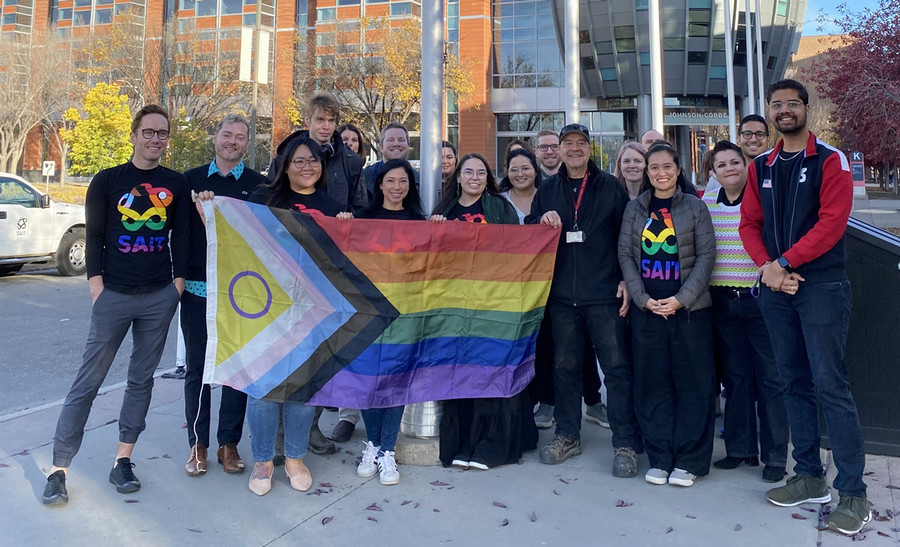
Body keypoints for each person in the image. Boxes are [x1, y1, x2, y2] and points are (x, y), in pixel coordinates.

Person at [739, 79, 869, 536]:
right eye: (777, 105)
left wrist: (785, 262)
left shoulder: (831, 160)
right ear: (770, 112)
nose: (785, 111)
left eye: (793, 103)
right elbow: (749, 223)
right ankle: (809, 475)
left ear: (806, 109)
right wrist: (767, 268)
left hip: (821, 287)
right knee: (792, 381)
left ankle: (853, 493)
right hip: (777, 288)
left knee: (830, 386)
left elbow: (833, 224)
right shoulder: (761, 166)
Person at [42, 105, 189, 505]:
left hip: (158, 296)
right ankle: (59, 469)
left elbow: (184, 239)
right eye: (149, 132)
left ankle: (122, 460)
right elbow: (95, 238)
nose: (155, 139)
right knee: (87, 383)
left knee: (141, 381)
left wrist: (175, 287)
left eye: (162, 133)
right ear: (134, 134)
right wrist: (96, 287)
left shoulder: (175, 184)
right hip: (114, 296)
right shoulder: (108, 181)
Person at [526, 124, 642, 477]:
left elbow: (627, 238)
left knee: (617, 371)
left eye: (581, 143)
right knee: (564, 369)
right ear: (558, 150)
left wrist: (625, 279)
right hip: (562, 297)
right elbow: (530, 230)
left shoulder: (610, 187)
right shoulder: (547, 189)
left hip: (604, 295)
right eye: (568, 144)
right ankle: (567, 435)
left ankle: (624, 441)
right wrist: (539, 219)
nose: (574, 149)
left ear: (589, 149)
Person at [240, 135, 347, 495]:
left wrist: (348, 226)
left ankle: (295, 459)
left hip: (315, 309)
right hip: (266, 307)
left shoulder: (332, 206)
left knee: (305, 387)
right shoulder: (262, 200)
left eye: (313, 161)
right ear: (285, 167)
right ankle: (263, 460)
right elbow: (236, 238)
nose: (307, 167)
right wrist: (208, 206)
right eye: (298, 161)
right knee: (263, 386)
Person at [269, 93, 366, 455]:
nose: (325, 126)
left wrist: (349, 227)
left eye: (331, 120)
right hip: (287, 269)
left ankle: (309, 431)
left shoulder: (351, 160)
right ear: (307, 120)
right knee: (284, 354)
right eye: (319, 119)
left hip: (327, 268)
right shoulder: (286, 153)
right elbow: (271, 203)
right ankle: (278, 436)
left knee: (317, 356)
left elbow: (359, 206)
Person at [618, 141, 716, 488]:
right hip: (647, 314)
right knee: (651, 385)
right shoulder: (635, 208)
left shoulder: (694, 207)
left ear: (678, 170)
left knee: (693, 385)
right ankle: (660, 457)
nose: (660, 173)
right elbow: (626, 256)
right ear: (647, 173)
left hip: (689, 313)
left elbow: (706, 258)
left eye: (667, 167)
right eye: (653, 167)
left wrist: (680, 300)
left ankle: (689, 460)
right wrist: (643, 300)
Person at [432, 153, 538, 469]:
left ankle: (491, 445)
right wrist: (433, 231)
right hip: (454, 308)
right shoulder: (444, 211)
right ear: (459, 177)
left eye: (481, 172)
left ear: (487, 178)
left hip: (493, 304)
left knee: (491, 371)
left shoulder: (500, 208)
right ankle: (462, 443)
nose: (475, 177)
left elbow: (516, 251)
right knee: (459, 373)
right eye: (469, 172)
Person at [181, 114, 268, 477]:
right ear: (215, 138)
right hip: (199, 290)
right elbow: (182, 236)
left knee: (237, 370)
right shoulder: (191, 180)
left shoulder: (258, 186)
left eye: (240, 137)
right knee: (198, 369)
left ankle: (227, 443)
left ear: (247, 143)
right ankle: (197, 444)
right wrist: (179, 280)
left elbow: (262, 241)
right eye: (227, 135)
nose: (233, 141)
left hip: (240, 295)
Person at [501, 148, 609, 431]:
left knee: (574, 347)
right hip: (520, 288)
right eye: (514, 168)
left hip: (562, 284)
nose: (520, 173)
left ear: (535, 170)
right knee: (544, 347)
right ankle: (545, 401)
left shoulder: (551, 192)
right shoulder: (499, 203)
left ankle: (591, 400)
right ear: (506, 173)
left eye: (526, 167)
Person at [702, 140, 788, 483]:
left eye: (734, 162)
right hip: (723, 302)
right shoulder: (706, 204)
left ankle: (776, 455)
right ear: (715, 172)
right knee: (735, 379)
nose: (729, 169)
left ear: (746, 165)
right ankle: (740, 449)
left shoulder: (763, 202)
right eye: (721, 165)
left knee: (771, 380)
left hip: (761, 301)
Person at [347, 159, 425, 486]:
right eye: (390, 181)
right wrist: (342, 224)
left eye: (403, 181)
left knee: (395, 379)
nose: (396, 187)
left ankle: (387, 450)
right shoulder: (362, 219)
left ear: (410, 185)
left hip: (405, 311)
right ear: (379, 185)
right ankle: (374, 445)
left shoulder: (420, 222)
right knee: (368, 377)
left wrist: (438, 224)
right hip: (368, 310)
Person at [363, 122, 420, 201]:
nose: (396, 144)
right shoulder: (364, 177)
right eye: (391, 139)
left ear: (408, 146)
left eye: (401, 140)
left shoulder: (419, 181)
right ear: (381, 147)